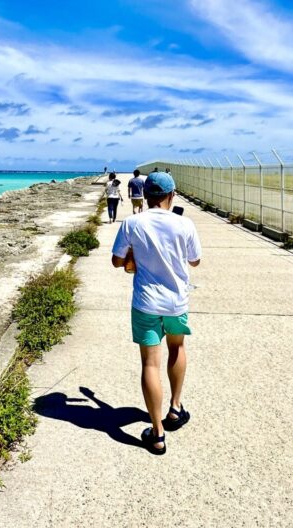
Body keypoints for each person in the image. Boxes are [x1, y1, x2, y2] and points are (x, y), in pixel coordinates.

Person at [110, 171, 201, 455]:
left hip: (146, 302)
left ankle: (158, 434)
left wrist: (134, 256)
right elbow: (194, 261)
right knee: (177, 348)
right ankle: (175, 408)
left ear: (146, 196)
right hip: (176, 302)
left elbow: (116, 261)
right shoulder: (184, 223)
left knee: (150, 363)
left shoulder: (132, 223)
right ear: (172, 195)